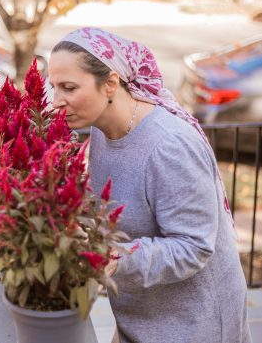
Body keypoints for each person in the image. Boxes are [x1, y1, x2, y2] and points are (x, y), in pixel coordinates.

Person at [48, 27, 252, 343]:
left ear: (111, 84)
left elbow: (193, 246)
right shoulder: (102, 131)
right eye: (54, 87)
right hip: (143, 312)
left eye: (69, 88)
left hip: (193, 324)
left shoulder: (169, 147)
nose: (55, 102)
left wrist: (115, 258)